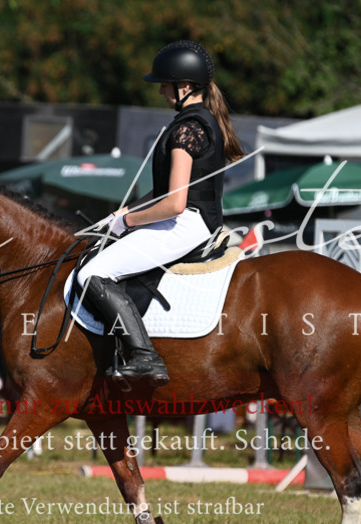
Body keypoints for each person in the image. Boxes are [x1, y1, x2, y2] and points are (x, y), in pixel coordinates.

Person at [75, 40, 244, 385]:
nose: (162, 92)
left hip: (184, 223)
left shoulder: (186, 129)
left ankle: (143, 356)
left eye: (165, 85)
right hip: (195, 220)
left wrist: (127, 222)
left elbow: (174, 202)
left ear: (184, 87)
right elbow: (165, 191)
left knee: (91, 275)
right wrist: (121, 213)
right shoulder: (202, 121)